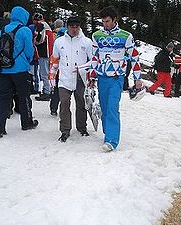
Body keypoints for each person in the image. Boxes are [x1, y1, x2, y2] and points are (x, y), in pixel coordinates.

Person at [89, 6, 143, 152]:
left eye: (107, 21)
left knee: (112, 107)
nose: (105, 24)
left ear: (115, 19)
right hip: (102, 78)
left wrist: (137, 78)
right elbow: (94, 57)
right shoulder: (97, 35)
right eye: (103, 21)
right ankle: (108, 133)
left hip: (116, 78)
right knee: (105, 108)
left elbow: (135, 58)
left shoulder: (126, 36)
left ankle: (112, 140)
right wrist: (92, 76)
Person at [0, 6, 38, 138]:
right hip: (21, 69)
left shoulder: (3, 29)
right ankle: (27, 122)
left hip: (5, 68)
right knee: (23, 96)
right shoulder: (25, 30)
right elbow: (29, 50)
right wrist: (26, 61)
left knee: (2, 98)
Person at [49, 16, 92, 142]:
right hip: (64, 78)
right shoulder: (59, 42)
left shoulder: (87, 42)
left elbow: (93, 61)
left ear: (79, 27)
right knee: (64, 104)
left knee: (81, 104)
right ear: (67, 27)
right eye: (72, 26)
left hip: (80, 78)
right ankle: (65, 130)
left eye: (76, 26)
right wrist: (52, 76)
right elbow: (54, 60)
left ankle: (82, 127)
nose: (74, 29)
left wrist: (83, 69)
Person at [33, 13, 54, 101]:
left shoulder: (40, 25)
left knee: (44, 73)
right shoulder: (46, 25)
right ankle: (48, 90)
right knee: (47, 72)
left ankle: (47, 92)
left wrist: (34, 42)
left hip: (44, 52)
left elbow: (39, 39)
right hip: (48, 52)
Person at [50, 18, 67, 116]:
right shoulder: (68, 34)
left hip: (57, 64)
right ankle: (64, 109)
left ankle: (53, 108)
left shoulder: (55, 35)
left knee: (56, 87)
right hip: (66, 65)